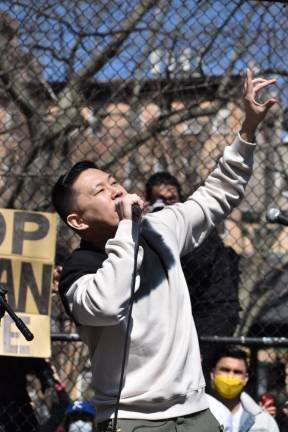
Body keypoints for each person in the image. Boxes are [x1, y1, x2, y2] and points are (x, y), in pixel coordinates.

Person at [51, 69, 276, 432]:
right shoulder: (79, 270)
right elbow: (110, 303)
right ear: (78, 221)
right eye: (99, 192)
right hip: (132, 420)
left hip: (195, 412)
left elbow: (216, 195)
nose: (114, 190)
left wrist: (247, 129)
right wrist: (127, 227)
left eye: (113, 182)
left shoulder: (160, 228)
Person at [144, 172, 241, 381]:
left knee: (195, 373)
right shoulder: (146, 228)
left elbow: (196, 267)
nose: (166, 206)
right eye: (158, 200)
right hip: (175, 314)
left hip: (213, 310)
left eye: (170, 200)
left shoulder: (195, 224)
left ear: (181, 198)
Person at [209, 347, 279, 431]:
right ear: (212, 374)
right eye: (225, 370)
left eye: (237, 372)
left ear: (245, 378)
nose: (230, 376)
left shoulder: (264, 422)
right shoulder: (193, 416)